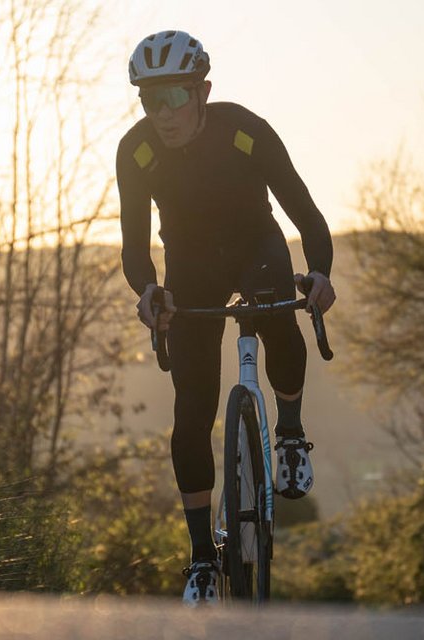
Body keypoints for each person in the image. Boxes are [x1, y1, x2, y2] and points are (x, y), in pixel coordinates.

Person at [117, 29, 337, 607]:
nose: (161, 114)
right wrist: (148, 291)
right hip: (189, 267)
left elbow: (306, 214)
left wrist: (319, 273)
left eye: (173, 98)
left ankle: (288, 435)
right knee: (191, 413)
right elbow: (135, 250)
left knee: (280, 326)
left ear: (202, 91)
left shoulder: (245, 131)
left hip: (255, 249)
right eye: (148, 99)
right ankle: (200, 559)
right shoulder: (136, 152)